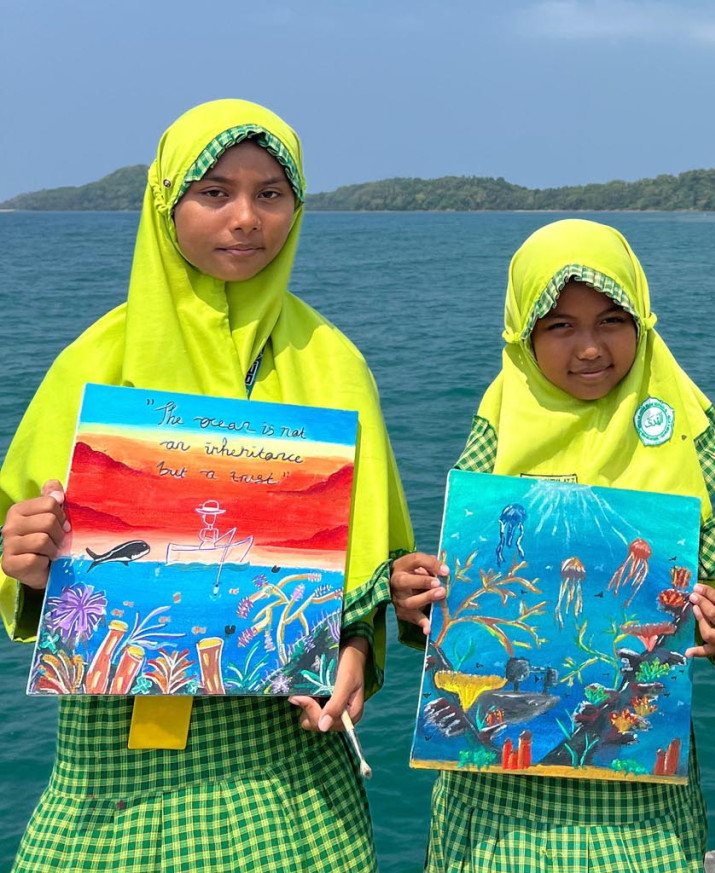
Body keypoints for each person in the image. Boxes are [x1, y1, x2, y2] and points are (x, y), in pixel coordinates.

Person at [0, 99, 412, 872]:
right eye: (215, 192)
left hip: (286, 767)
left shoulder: (335, 364)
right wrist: (23, 556)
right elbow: (23, 551)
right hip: (118, 759)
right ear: (166, 204)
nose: (247, 218)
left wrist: (355, 652)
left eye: (271, 194)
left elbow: (372, 565)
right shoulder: (92, 364)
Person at [390, 217, 715, 872]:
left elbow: (703, 592)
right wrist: (418, 596)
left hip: (638, 793)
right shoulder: (496, 435)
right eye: (559, 325)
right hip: (498, 798)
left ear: (643, 324)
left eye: (613, 320)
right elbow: (458, 593)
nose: (590, 347)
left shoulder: (668, 440)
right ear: (522, 335)